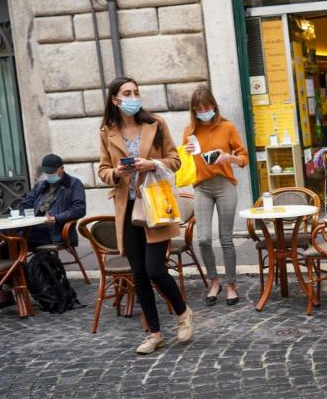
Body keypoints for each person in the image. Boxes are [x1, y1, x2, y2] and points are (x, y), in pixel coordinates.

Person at [98, 76, 193, 354]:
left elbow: (174, 161)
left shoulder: (156, 124)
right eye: (127, 93)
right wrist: (117, 172)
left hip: (155, 205)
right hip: (127, 210)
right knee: (139, 274)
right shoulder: (107, 131)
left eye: (136, 92)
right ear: (115, 100)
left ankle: (183, 313)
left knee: (155, 270)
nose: (133, 97)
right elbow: (103, 170)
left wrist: (151, 163)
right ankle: (154, 333)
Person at [182, 86, 248, 307]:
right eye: (199, 109)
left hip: (224, 184)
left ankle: (231, 284)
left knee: (226, 237)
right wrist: (187, 154)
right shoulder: (189, 131)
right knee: (203, 238)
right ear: (194, 110)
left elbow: (243, 158)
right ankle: (214, 281)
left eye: (207, 107)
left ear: (214, 106)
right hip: (201, 186)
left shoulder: (227, 127)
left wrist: (228, 158)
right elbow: (183, 162)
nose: (204, 111)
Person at [18, 154, 86, 248]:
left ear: (62, 169)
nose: (49, 175)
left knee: (15, 239)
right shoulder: (40, 185)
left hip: (55, 231)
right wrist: (27, 217)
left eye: (52, 172)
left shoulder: (74, 184)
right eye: (46, 172)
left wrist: (55, 218)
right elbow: (25, 204)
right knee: (0, 234)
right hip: (34, 226)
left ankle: (15, 261)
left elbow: (79, 209)